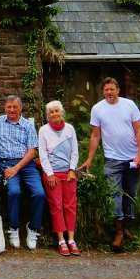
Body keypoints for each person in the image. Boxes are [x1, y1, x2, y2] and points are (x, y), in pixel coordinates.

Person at [78, 77, 140, 251]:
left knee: (131, 194)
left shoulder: (129, 105)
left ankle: (127, 227)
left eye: (112, 89)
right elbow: (95, 136)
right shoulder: (97, 109)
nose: (109, 92)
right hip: (112, 160)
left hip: (132, 159)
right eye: (106, 90)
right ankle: (118, 232)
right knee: (115, 196)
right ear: (103, 92)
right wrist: (89, 159)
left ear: (118, 90)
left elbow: (139, 131)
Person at [0, 95, 45, 249]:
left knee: (39, 193)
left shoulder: (27, 125)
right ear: (5, 108)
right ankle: (13, 228)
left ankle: (33, 228)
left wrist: (16, 168)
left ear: (20, 108)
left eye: (15, 107)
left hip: (27, 164)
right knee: (14, 192)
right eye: (9, 107)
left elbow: (32, 151)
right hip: (6, 163)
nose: (11, 110)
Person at [38, 100, 80, 256]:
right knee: (56, 206)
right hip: (52, 175)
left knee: (70, 206)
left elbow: (74, 151)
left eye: (56, 111)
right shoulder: (43, 130)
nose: (54, 114)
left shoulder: (70, 129)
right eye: (51, 112)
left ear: (61, 112)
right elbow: (42, 154)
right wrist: (49, 173)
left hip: (68, 174)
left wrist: (72, 170)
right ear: (48, 115)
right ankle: (61, 240)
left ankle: (71, 239)